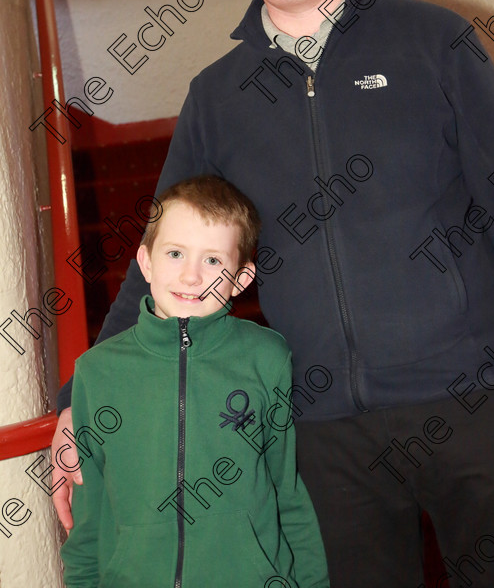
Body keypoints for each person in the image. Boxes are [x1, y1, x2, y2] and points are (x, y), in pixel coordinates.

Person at [53, 0, 494, 587]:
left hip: (475, 402)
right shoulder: (218, 98)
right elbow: (165, 252)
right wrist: (77, 402)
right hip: (324, 435)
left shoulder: (438, 43)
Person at [59, 175, 329, 588]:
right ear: (145, 263)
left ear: (241, 279)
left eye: (214, 261)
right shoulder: (97, 372)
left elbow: (287, 492)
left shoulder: (266, 358)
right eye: (175, 253)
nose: (191, 277)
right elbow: (89, 515)